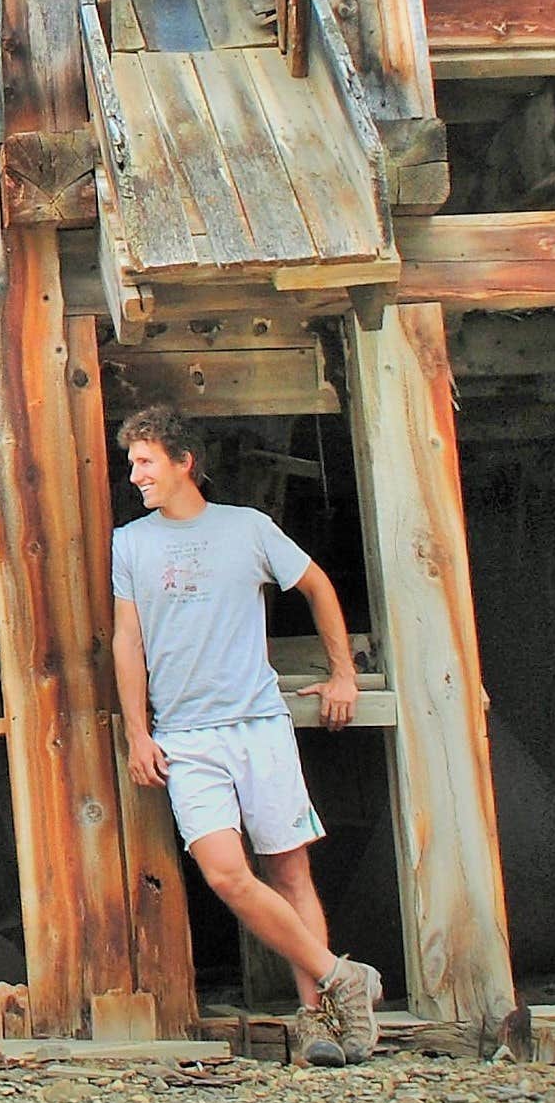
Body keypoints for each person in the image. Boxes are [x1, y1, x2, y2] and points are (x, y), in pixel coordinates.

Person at [109, 404, 382, 1066]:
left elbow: (316, 586)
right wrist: (138, 734)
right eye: (130, 463)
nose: (134, 473)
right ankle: (340, 976)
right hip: (186, 737)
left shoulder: (248, 528)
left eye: (144, 461)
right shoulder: (130, 542)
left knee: (288, 869)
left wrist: (342, 674)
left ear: (182, 461)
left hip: (257, 723)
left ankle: (321, 1022)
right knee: (225, 873)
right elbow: (126, 640)